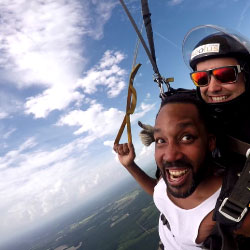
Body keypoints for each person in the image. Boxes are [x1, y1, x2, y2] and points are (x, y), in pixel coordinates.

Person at [113, 93, 250, 249]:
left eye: (187, 137)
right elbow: (158, 192)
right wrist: (130, 165)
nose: (170, 156)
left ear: (210, 142)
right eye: (161, 140)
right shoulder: (176, 178)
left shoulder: (235, 211)